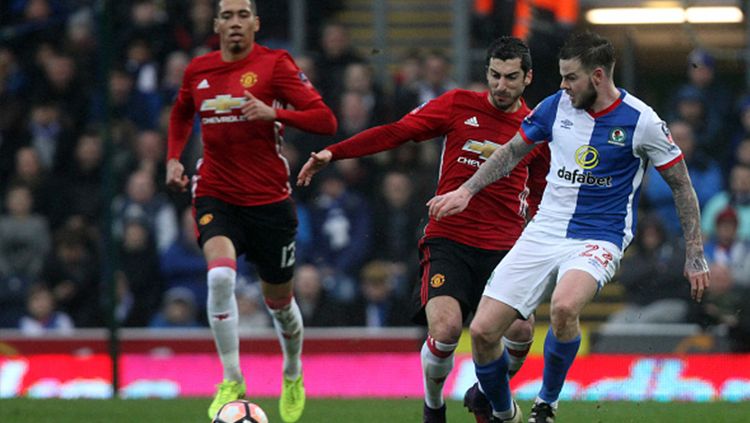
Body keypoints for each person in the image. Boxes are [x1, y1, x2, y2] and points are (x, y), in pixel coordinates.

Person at [427, 32, 710, 423]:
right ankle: (505, 412)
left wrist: (695, 255)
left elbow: (682, 186)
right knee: (482, 333)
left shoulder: (642, 121)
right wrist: (467, 191)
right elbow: (511, 152)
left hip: (599, 237)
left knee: (563, 307)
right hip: (544, 230)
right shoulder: (554, 107)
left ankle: (546, 404)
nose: (562, 86)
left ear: (596, 76)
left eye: (569, 77)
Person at [298, 36, 549, 423]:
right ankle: (433, 406)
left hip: (505, 247)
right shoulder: (457, 105)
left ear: (527, 77)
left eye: (511, 77)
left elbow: (540, 192)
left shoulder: (536, 129)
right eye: (495, 75)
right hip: (449, 237)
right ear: (487, 73)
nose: (501, 85)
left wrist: (531, 234)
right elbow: (395, 132)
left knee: (520, 331)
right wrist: (336, 152)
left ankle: (485, 391)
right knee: (446, 329)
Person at [164, 1, 337, 421]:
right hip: (216, 193)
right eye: (228, 15)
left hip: (269, 202)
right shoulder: (198, 70)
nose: (236, 22)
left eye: (244, 14)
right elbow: (183, 111)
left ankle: (292, 370)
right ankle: (232, 378)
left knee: (280, 303)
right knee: (220, 275)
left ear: (256, 23)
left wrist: (273, 112)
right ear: (217, 23)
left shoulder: (276, 65)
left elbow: (326, 121)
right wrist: (173, 157)